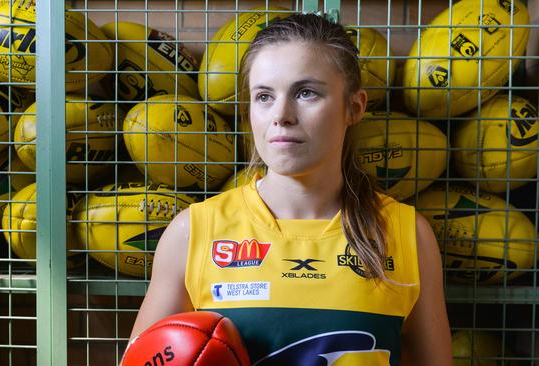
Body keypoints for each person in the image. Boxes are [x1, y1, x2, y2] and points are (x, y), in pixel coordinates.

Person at [127, 13, 452, 365]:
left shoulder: (406, 235)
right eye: (264, 96)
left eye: (306, 92)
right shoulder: (193, 232)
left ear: (354, 107)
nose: (281, 114)